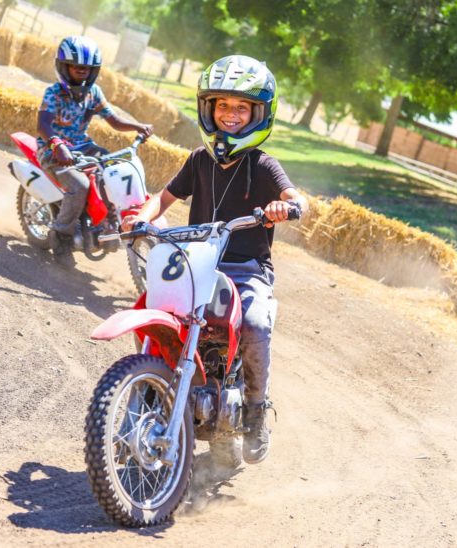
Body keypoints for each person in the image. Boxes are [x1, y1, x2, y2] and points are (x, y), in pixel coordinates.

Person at [121, 55, 308, 464]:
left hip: (245, 271)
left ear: (259, 114)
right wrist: (141, 217)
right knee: (151, 305)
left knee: (257, 324)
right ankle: (148, 383)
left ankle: (256, 413)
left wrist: (287, 208)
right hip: (195, 264)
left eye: (241, 107)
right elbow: (162, 199)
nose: (231, 115)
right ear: (209, 109)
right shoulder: (198, 161)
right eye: (222, 105)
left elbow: (296, 199)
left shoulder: (263, 166)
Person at [37, 35, 154, 265]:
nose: (82, 71)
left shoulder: (94, 92)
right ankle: (61, 239)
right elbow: (43, 125)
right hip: (53, 151)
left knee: (115, 169)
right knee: (79, 186)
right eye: (77, 67)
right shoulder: (53, 93)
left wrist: (137, 126)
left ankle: (108, 222)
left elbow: (114, 120)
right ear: (64, 66)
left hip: (83, 146)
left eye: (87, 68)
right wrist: (57, 144)